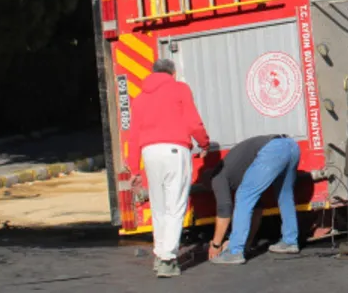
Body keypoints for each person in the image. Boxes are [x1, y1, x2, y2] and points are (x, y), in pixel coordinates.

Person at [125, 58, 210, 278]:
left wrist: (134, 169)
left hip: (149, 153)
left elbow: (133, 136)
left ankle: (160, 253)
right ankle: (167, 259)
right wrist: (204, 143)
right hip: (175, 150)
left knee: (159, 207)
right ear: (172, 73)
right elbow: (192, 121)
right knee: (176, 206)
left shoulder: (140, 98)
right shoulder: (180, 89)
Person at [208, 134, 302, 264]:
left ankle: (234, 252)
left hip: (272, 149)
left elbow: (225, 210)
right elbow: (257, 209)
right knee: (284, 194)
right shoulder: (234, 169)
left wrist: (216, 245)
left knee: (242, 196)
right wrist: (248, 242)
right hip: (291, 145)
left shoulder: (217, 178)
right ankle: (290, 241)